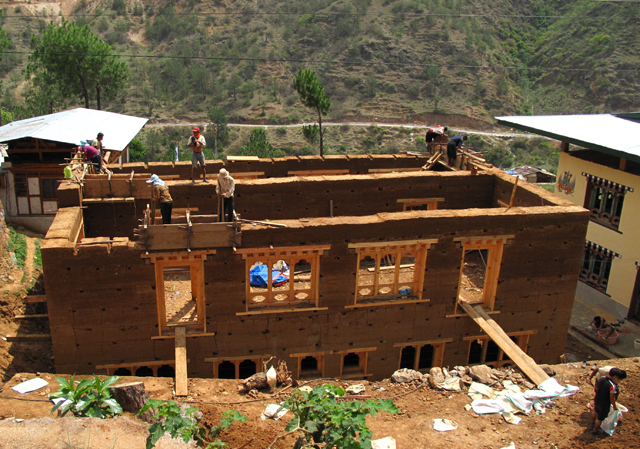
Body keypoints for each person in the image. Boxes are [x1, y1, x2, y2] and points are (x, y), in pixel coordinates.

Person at [590, 367, 627, 435]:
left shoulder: (602, 378)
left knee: (595, 410)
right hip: (604, 403)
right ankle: (595, 430)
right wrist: (615, 406)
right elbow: (612, 398)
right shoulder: (612, 386)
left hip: (597, 399)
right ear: (615, 376)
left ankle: (592, 422)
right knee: (600, 418)